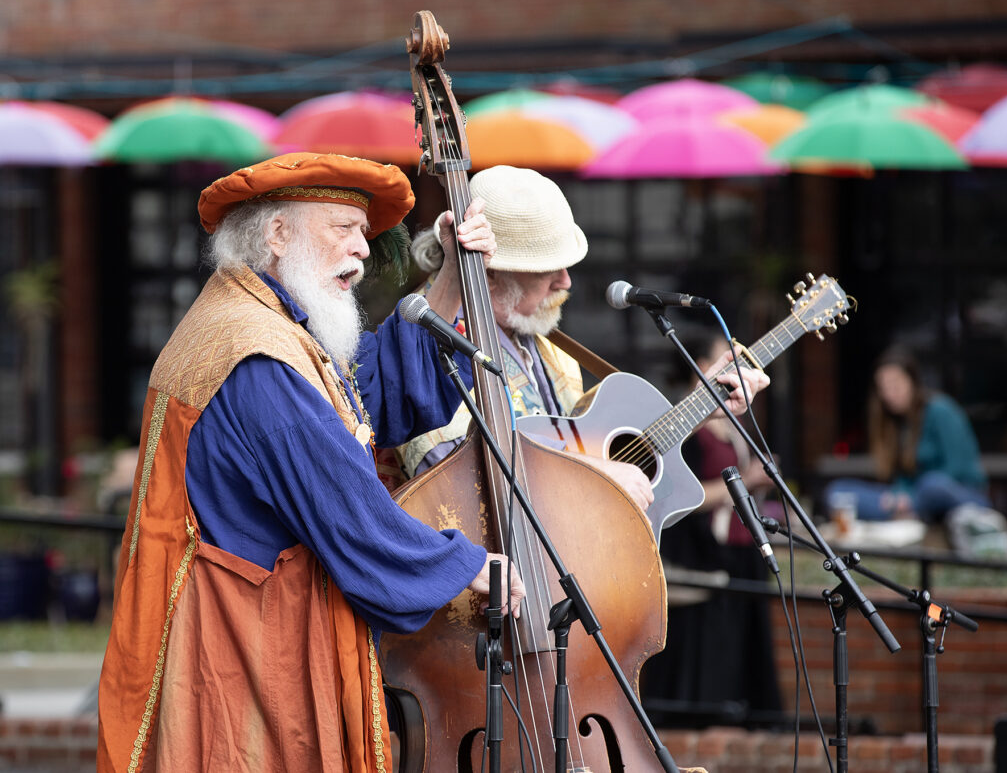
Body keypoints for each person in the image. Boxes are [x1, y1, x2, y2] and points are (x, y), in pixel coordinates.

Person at [96, 151, 525, 773]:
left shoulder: (254, 319)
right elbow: (347, 508)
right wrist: (468, 566)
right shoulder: (258, 352)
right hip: (248, 647)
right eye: (342, 229)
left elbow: (365, 395)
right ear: (277, 234)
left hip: (241, 632)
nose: (362, 251)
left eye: (363, 233)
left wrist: (452, 282)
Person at [390, 164, 770, 514]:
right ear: (489, 274)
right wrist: (596, 475)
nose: (566, 281)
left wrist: (703, 405)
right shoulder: (425, 335)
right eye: (547, 269)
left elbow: (606, 451)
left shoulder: (540, 342)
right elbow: (454, 480)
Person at [641, 330, 783, 728]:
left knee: (745, 658)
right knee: (706, 660)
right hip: (704, 554)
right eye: (725, 357)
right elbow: (678, 497)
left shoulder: (731, 422)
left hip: (742, 552)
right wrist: (746, 481)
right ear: (705, 367)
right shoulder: (684, 430)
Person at [823, 345, 992, 523]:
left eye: (895, 385)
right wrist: (897, 496)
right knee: (837, 491)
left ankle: (904, 513)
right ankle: (904, 513)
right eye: (883, 388)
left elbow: (957, 468)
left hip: (961, 494)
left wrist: (909, 495)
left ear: (912, 381)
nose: (889, 394)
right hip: (910, 500)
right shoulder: (894, 423)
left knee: (932, 485)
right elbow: (902, 477)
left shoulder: (941, 410)